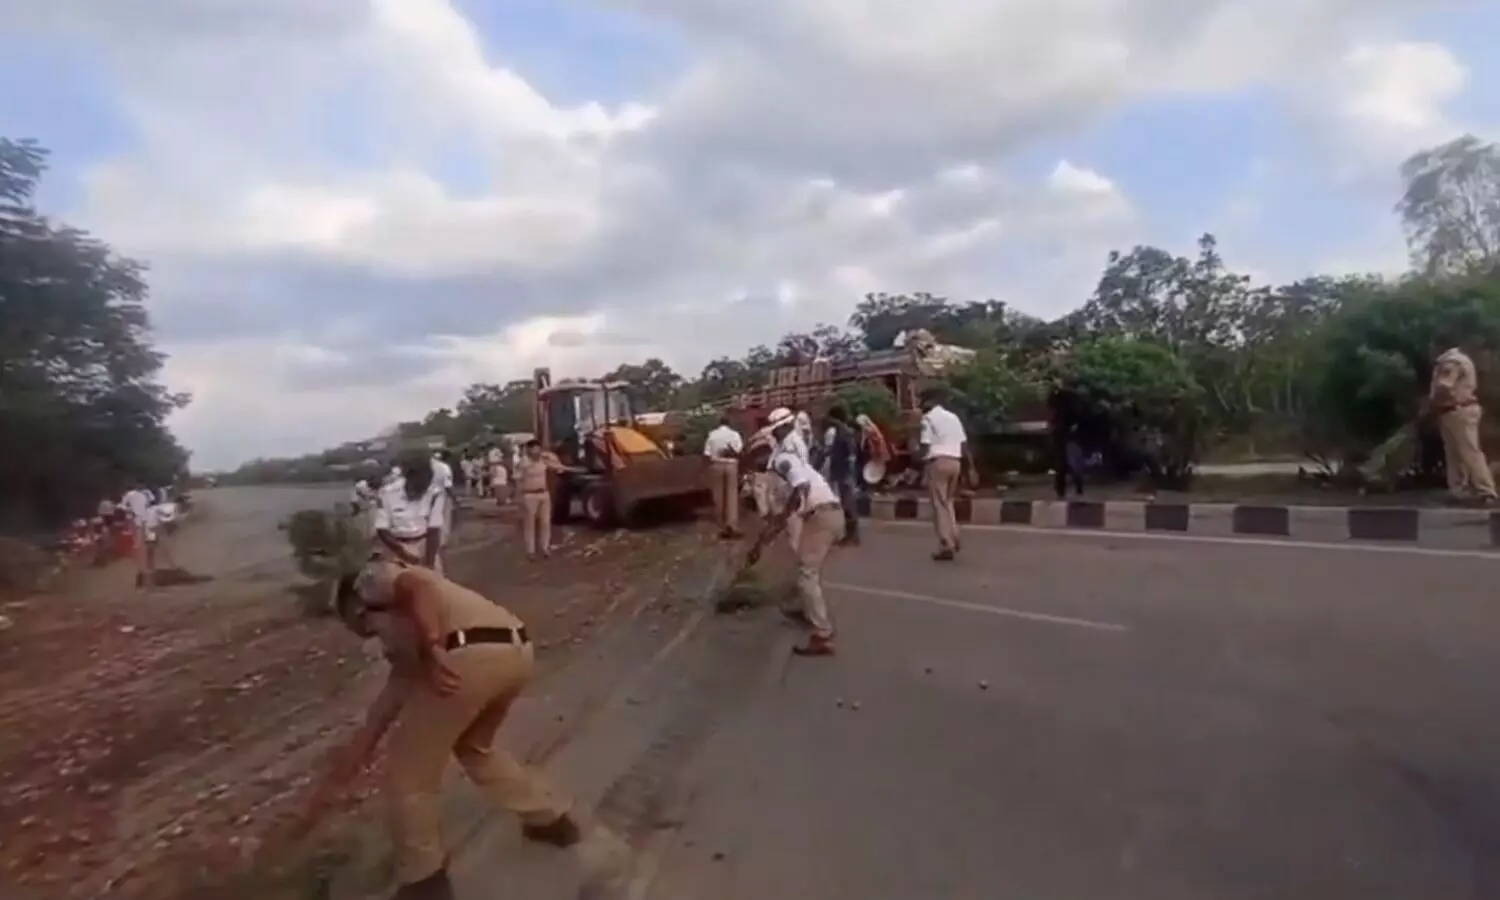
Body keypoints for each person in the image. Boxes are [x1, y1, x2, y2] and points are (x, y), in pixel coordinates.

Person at [296, 557, 586, 899]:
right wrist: (350, 762)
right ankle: (550, 820)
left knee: (408, 775)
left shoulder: (371, 583)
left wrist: (433, 644)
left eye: (353, 622)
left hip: (463, 656)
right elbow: (387, 704)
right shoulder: (405, 634)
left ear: (353, 607)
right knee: (476, 748)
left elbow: (417, 586)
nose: (365, 633)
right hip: (516, 651)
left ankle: (423, 879)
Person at [749, 453, 846, 656]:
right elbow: (781, 519)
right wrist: (759, 546)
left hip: (823, 516)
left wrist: (789, 508)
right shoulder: (789, 476)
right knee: (804, 566)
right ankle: (805, 609)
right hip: (829, 515)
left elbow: (800, 488)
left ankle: (822, 635)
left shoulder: (783, 460)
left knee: (806, 574)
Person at [1427, 346, 1498, 505]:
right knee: (1454, 453)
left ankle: (1485, 490)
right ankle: (1460, 490)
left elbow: (1444, 385)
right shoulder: (1458, 360)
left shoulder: (1452, 362)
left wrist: (1435, 402)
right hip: (1454, 410)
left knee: (1469, 451)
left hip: (1458, 409)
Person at [918, 387, 970, 561]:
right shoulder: (953, 417)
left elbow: (925, 444)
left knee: (939, 505)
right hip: (956, 462)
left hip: (938, 462)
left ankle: (946, 544)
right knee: (948, 502)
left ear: (929, 402)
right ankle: (954, 535)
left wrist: (919, 457)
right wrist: (970, 467)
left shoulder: (928, 418)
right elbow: (964, 444)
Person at [375, 456, 448, 575]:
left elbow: (434, 529)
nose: (422, 487)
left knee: (438, 584)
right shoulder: (387, 493)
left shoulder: (435, 494)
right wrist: (405, 555)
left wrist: (429, 563)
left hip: (424, 544)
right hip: (396, 547)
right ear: (409, 477)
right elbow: (382, 530)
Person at [514, 440, 574, 560]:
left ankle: (545, 547)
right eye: (534, 449)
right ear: (528, 450)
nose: (537, 451)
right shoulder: (524, 463)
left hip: (544, 494)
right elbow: (517, 478)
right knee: (530, 524)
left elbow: (559, 468)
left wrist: (555, 460)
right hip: (529, 495)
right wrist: (518, 496)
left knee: (545, 522)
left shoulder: (544, 460)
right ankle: (530, 550)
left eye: (538, 448)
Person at [764, 407, 810, 549]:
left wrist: (797, 497)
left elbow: (797, 473)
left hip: (789, 491)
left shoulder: (791, 444)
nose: (775, 432)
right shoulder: (786, 441)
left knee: (793, 530)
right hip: (784, 490)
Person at [821, 405, 861, 545]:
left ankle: (852, 536)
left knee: (849, 504)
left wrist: (849, 475)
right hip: (840, 471)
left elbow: (851, 456)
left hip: (845, 473)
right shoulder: (841, 431)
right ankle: (849, 534)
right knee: (846, 504)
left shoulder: (844, 433)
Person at [702, 415, 744, 539]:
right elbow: (739, 451)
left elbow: (707, 453)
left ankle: (721, 525)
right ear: (729, 423)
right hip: (731, 465)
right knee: (731, 495)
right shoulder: (735, 435)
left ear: (719, 423)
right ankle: (732, 524)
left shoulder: (712, 435)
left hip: (716, 465)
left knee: (718, 496)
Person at [120, 481, 156, 588]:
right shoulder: (144, 495)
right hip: (146, 519)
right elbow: (149, 504)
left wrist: (129, 511)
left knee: (138, 544)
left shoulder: (129, 495)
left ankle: (142, 569)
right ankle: (148, 567)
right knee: (146, 543)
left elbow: (123, 507)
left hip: (136, 520)